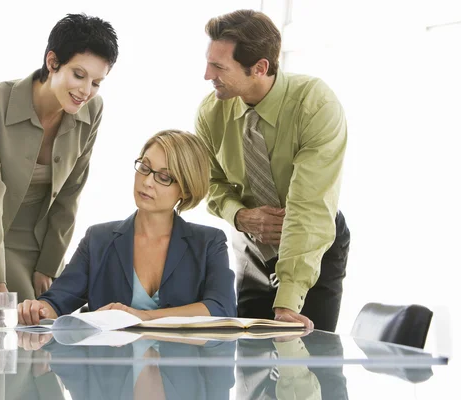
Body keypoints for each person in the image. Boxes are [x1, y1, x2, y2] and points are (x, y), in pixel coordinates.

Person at [0, 13, 119, 322]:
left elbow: (70, 194)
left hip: (40, 240)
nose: (86, 91)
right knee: (11, 334)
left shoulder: (92, 109)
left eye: (96, 82)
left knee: (51, 335)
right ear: (52, 62)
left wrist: (48, 265)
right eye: (78, 75)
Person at [195, 9, 350, 331]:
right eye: (209, 62)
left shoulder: (315, 104)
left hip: (314, 239)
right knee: (252, 359)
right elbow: (210, 181)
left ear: (260, 67)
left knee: (304, 354)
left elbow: (308, 206)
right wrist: (239, 215)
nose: (207, 75)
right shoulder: (211, 112)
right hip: (253, 242)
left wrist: (288, 300)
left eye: (219, 67)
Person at [18, 130, 237, 325]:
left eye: (164, 177)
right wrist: (38, 310)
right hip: (114, 366)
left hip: (182, 366)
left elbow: (221, 308)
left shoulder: (209, 241)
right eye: (144, 167)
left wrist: (143, 317)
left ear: (186, 190)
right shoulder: (98, 239)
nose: (147, 181)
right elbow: (57, 300)